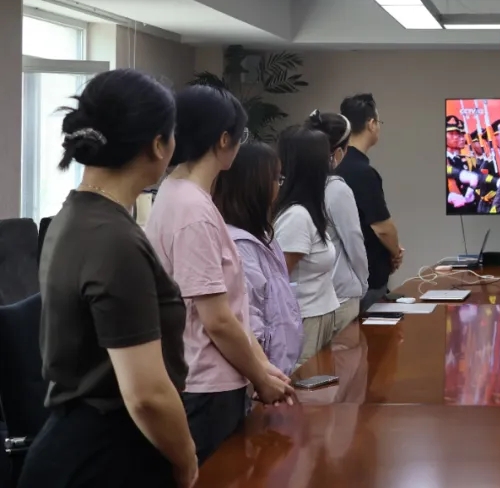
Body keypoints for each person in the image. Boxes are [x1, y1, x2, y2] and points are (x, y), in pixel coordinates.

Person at [21, 70, 198, 488]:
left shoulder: (75, 215)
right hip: (106, 458)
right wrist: (186, 459)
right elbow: (146, 395)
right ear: (158, 145)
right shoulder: (113, 240)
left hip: (79, 446)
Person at [146, 85, 293, 465]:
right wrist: (259, 377)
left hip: (213, 378)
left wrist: (263, 367)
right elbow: (217, 319)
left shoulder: (180, 194)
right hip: (206, 385)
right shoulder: (191, 209)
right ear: (224, 139)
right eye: (240, 137)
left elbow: (230, 309)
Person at [212, 141, 303, 377]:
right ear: (257, 184)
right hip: (258, 373)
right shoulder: (239, 246)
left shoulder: (262, 237)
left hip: (276, 367)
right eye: (276, 179)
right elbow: (248, 319)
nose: (279, 186)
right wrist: (261, 375)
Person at [274, 126, 340, 366]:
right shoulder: (297, 217)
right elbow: (279, 280)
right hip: (305, 320)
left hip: (321, 315)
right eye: (327, 158)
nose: (332, 163)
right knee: (308, 387)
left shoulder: (310, 212)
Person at [304, 110, 370, 334]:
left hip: (313, 299)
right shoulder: (336, 189)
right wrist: (362, 284)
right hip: (341, 296)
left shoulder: (294, 185)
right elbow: (354, 241)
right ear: (339, 153)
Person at [338, 93, 403, 310]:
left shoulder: (335, 164)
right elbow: (382, 228)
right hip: (367, 280)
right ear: (371, 124)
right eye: (379, 122)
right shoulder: (363, 173)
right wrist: (395, 252)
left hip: (342, 277)